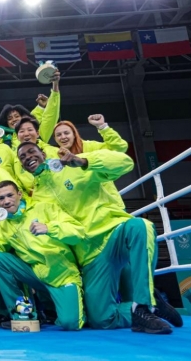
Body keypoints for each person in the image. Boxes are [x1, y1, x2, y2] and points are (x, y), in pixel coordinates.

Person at [17, 142, 183, 334]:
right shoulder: (37, 198)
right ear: (21, 166)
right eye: (22, 157)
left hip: (113, 233)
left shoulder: (75, 167)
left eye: (31, 152)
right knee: (102, 319)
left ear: (43, 153)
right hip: (89, 255)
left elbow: (125, 163)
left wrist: (84, 161)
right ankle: (149, 306)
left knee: (141, 226)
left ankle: (144, 305)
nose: (28, 157)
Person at [0, 180, 86, 331]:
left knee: (70, 323)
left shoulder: (43, 207)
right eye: (1, 198)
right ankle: (21, 315)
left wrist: (49, 228)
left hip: (62, 276)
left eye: (10, 195)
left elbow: (78, 232)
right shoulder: (3, 225)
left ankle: (125, 310)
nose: (6, 201)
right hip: (35, 275)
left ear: (19, 194)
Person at [53, 115, 128, 209]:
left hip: (108, 205)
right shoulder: (56, 159)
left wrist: (102, 127)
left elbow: (119, 148)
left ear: (74, 134)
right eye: (58, 135)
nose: (63, 137)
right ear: (55, 139)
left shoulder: (90, 147)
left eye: (66, 133)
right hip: (81, 211)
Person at [0, 70, 61, 150]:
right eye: (9, 118)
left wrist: (55, 85)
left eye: (17, 116)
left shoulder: (36, 135)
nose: (14, 119)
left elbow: (50, 115)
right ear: (6, 123)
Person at [12, 116, 59, 195]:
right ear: (17, 137)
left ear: (37, 133)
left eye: (30, 130)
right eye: (22, 131)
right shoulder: (17, 162)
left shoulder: (54, 151)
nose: (26, 134)